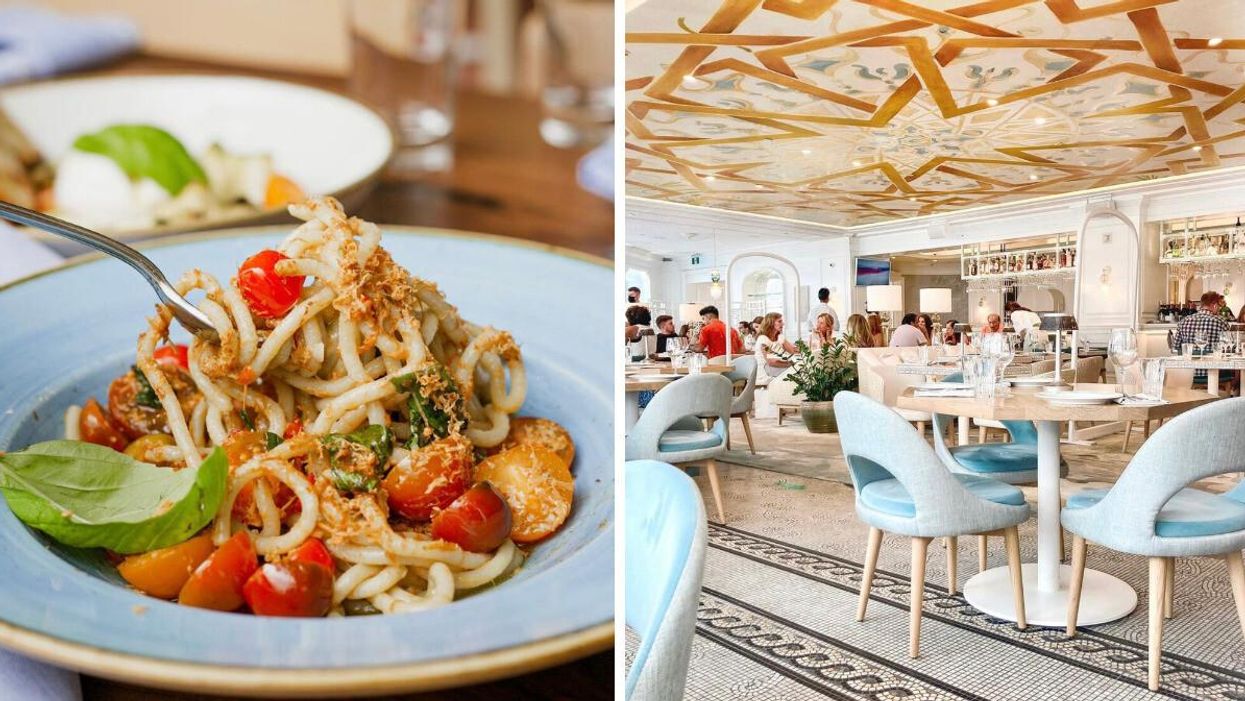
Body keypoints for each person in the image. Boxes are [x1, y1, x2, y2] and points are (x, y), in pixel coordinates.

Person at [755, 312, 798, 379]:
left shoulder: (780, 337)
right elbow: (771, 361)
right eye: (779, 321)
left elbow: (792, 352)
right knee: (798, 373)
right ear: (771, 323)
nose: (783, 324)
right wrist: (790, 364)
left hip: (776, 369)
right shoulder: (763, 339)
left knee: (801, 371)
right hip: (766, 372)